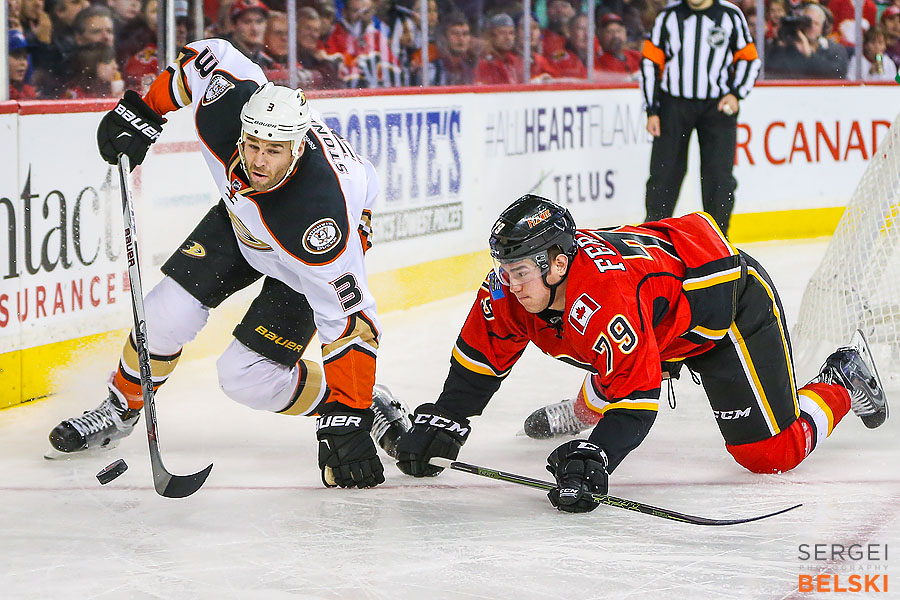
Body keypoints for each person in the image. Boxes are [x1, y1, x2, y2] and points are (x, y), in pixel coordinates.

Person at [47, 38, 410, 490]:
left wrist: (348, 413)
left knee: (244, 378)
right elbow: (203, 58)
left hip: (295, 258)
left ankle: (369, 406)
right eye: (252, 144)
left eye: (273, 151)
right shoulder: (228, 105)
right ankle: (121, 408)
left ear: (298, 149)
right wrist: (145, 111)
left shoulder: (319, 221)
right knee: (163, 314)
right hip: (241, 223)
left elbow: (350, 322)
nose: (257, 161)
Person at [393, 195, 889, 513]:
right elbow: (480, 360)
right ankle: (586, 408)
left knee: (769, 454)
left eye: (520, 270)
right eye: (505, 268)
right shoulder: (514, 289)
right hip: (654, 318)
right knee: (611, 356)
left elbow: (636, 399)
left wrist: (598, 455)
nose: (508, 282)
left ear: (558, 264)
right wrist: (447, 417)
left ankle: (842, 381)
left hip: (724, 313)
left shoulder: (604, 300)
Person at [641, 0, 761, 234]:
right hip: (673, 105)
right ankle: (652, 236)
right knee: (664, 173)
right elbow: (650, 63)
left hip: (717, 107)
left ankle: (718, 238)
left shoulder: (730, 16)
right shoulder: (668, 17)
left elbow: (749, 59)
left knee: (719, 177)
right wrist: (652, 110)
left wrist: (736, 94)